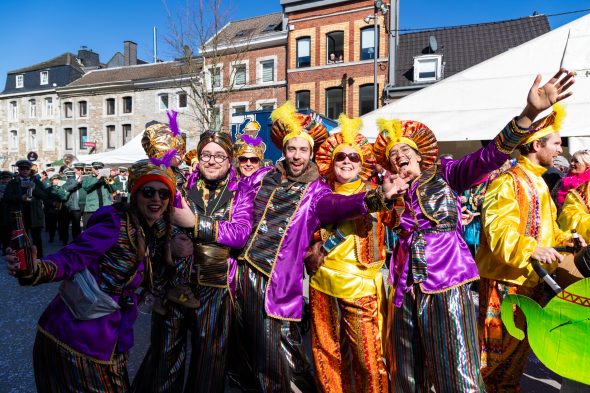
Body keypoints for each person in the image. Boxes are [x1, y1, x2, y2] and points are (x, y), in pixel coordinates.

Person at [374, 68, 576, 392]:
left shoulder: (444, 174)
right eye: (393, 156)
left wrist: (528, 114)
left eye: (405, 153)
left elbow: (489, 156)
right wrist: (385, 199)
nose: (399, 158)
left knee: (457, 371)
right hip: (402, 288)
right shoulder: (392, 195)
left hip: (446, 281)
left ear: (420, 156)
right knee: (407, 374)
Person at [234, 101, 405, 392]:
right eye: (292, 149)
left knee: (291, 355)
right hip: (260, 276)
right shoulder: (263, 177)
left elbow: (344, 206)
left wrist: (382, 197)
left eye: (303, 149)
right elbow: (239, 209)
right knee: (266, 351)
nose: (296, 155)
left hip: (312, 284)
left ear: (312, 153)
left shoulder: (318, 191)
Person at [5, 159, 175, 392]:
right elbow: (72, 257)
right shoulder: (115, 223)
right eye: (148, 191)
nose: (156, 199)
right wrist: (34, 269)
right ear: (135, 194)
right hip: (75, 337)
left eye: (164, 194)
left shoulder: (156, 232)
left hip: (111, 336)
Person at [476, 69, 578, 392]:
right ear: (535, 144)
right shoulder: (507, 181)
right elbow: (498, 232)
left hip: (530, 288)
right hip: (503, 289)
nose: (561, 150)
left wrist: (566, 241)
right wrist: (530, 249)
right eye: (557, 144)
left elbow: (547, 232)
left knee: (513, 369)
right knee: (492, 367)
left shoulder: (540, 184)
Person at [309, 114, 389, 393]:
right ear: (330, 161)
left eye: (353, 157)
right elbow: (327, 211)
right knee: (326, 354)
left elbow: (407, 223)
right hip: (322, 283)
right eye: (340, 156)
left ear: (362, 163)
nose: (346, 161)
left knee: (369, 359)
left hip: (361, 287)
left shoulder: (379, 191)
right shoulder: (319, 193)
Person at [131, 118, 201, 393]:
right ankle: (164, 293)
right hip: (162, 238)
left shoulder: (181, 175)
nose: (174, 156)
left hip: (179, 239)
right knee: (166, 348)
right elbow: (149, 211)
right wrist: (169, 239)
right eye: (168, 151)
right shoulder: (154, 174)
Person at [3, 159, 56, 258]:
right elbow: (7, 197)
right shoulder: (13, 183)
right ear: (18, 169)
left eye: (27, 168)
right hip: (20, 214)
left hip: (35, 214)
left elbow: (45, 196)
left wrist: (34, 190)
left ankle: (39, 259)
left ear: (30, 170)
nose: (24, 170)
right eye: (22, 168)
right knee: (21, 239)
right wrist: (20, 198)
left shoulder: (36, 181)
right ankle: (24, 259)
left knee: (37, 239)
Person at [81, 161, 115, 228]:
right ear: (92, 169)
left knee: (104, 228)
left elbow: (113, 189)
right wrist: (97, 178)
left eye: (99, 168)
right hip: (92, 208)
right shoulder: (87, 178)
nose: (97, 170)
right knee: (91, 227)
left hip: (104, 207)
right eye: (96, 168)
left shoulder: (106, 178)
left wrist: (109, 179)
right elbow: (86, 187)